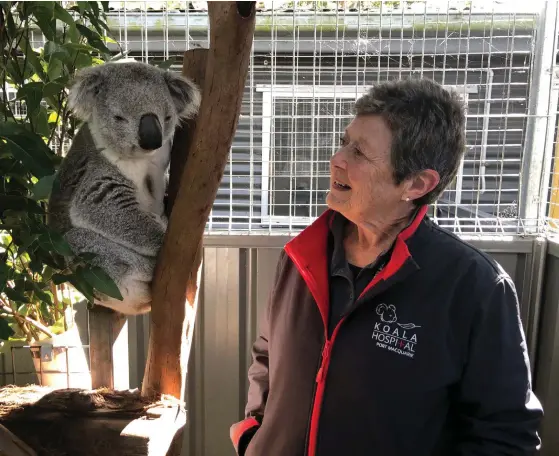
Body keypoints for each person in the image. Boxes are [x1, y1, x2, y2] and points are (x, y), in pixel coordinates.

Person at [229, 78, 543, 456]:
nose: (337, 159)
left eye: (359, 152)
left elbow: (505, 435)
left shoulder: (475, 287)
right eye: (345, 141)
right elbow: (267, 356)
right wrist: (253, 434)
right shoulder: (302, 256)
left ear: (416, 183)